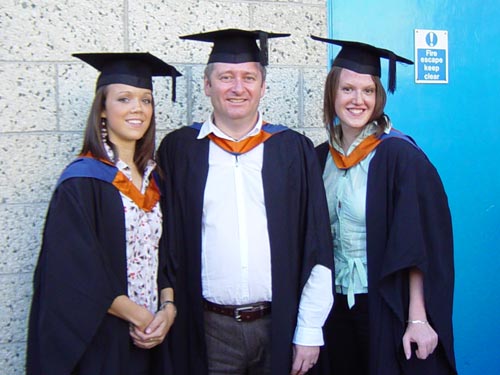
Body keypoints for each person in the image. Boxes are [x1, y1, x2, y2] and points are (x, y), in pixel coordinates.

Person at [157, 28, 334, 375]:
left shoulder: (292, 149)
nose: (238, 88)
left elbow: (317, 244)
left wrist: (310, 329)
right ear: (207, 85)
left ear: (263, 86)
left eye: (248, 78)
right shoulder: (180, 151)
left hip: (278, 324)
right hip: (207, 329)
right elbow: (165, 243)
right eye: (226, 77)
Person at [26, 52, 181, 375]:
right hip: (104, 339)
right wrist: (141, 317)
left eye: (146, 100)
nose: (138, 108)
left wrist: (167, 309)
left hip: (153, 337)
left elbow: (165, 255)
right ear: (102, 110)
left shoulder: (155, 179)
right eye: (124, 99)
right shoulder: (82, 181)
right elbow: (73, 272)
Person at [310, 35, 457, 375]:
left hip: (386, 304)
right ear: (332, 93)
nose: (357, 100)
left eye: (368, 91)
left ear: (378, 97)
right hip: (332, 309)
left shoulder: (400, 156)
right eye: (347, 89)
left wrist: (417, 316)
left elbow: (417, 243)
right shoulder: (319, 159)